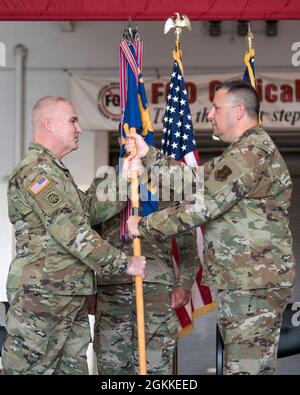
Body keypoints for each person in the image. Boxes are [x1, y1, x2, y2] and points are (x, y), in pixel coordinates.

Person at [126, 80, 296, 375]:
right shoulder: (244, 151)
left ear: (239, 110)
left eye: (216, 107)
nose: (210, 114)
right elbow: (197, 183)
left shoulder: (251, 152)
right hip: (247, 281)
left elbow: (203, 204)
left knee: (246, 370)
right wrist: (148, 155)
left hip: (252, 283)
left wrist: (145, 225)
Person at [2, 96, 146, 375]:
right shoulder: (35, 172)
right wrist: (124, 263)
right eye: (72, 121)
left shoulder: (56, 171)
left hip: (69, 295)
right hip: (42, 298)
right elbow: (72, 231)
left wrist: (124, 178)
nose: (79, 128)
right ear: (49, 124)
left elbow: (88, 212)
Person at [93, 174, 201, 375]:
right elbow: (88, 235)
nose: (132, 142)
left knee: (156, 364)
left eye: (139, 139)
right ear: (121, 140)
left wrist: (184, 284)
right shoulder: (104, 183)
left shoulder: (168, 184)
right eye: (127, 139)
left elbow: (187, 241)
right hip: (111, 287)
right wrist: (89, 288)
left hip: (157, 287)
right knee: (112, 366)